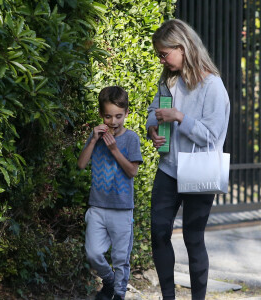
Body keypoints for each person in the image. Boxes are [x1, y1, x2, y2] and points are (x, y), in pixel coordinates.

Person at [146, 19, 230, 300]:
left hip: (200, 171)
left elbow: (211, 135)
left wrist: (180, 117)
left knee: (194, 240)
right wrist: (152, 128)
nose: (161, 59)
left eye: (164, 53)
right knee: (158, 233)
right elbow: (154, 110)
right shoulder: (168, 79)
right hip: (169, 169)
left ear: (182, 47)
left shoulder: (212, 86)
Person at [78, 86, 143, 300]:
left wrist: (114, 149)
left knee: (121, 258)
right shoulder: (95, 136)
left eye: (118, 116)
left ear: (126, 114)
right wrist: (94, 140)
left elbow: (132, 171)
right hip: (97, 207)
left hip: (122, 209)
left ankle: (119, 295)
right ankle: (108, 279)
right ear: (101, 115)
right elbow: (81, 164)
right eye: (108, 116)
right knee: (93, 253)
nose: (113, 122)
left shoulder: (131, 138)